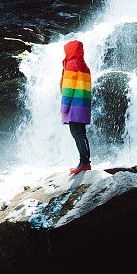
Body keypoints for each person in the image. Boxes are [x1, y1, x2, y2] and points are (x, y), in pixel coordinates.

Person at [60, 40, 91, 174]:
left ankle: (83, 162)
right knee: (82, 134)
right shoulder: (84, 66)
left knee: (76, 134)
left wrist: (64, 109)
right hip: (83, 105)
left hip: (74, 106)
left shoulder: (71, 65)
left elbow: (67, 89)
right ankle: (86, 162)